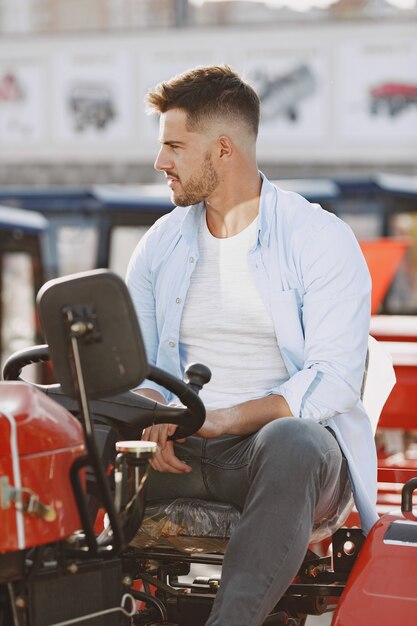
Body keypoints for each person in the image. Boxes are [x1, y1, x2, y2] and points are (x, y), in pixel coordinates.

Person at [126, 65, 377, 626]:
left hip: (281, 461)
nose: (160, 162)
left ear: (222, 149)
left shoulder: (318, 238)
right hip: (182, 453)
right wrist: (153, 414)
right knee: (68, 437)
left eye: (173, 145)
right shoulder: (160, 244)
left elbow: (334, 377)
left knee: (293, 438)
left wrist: (223, 419)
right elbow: (137, 368)